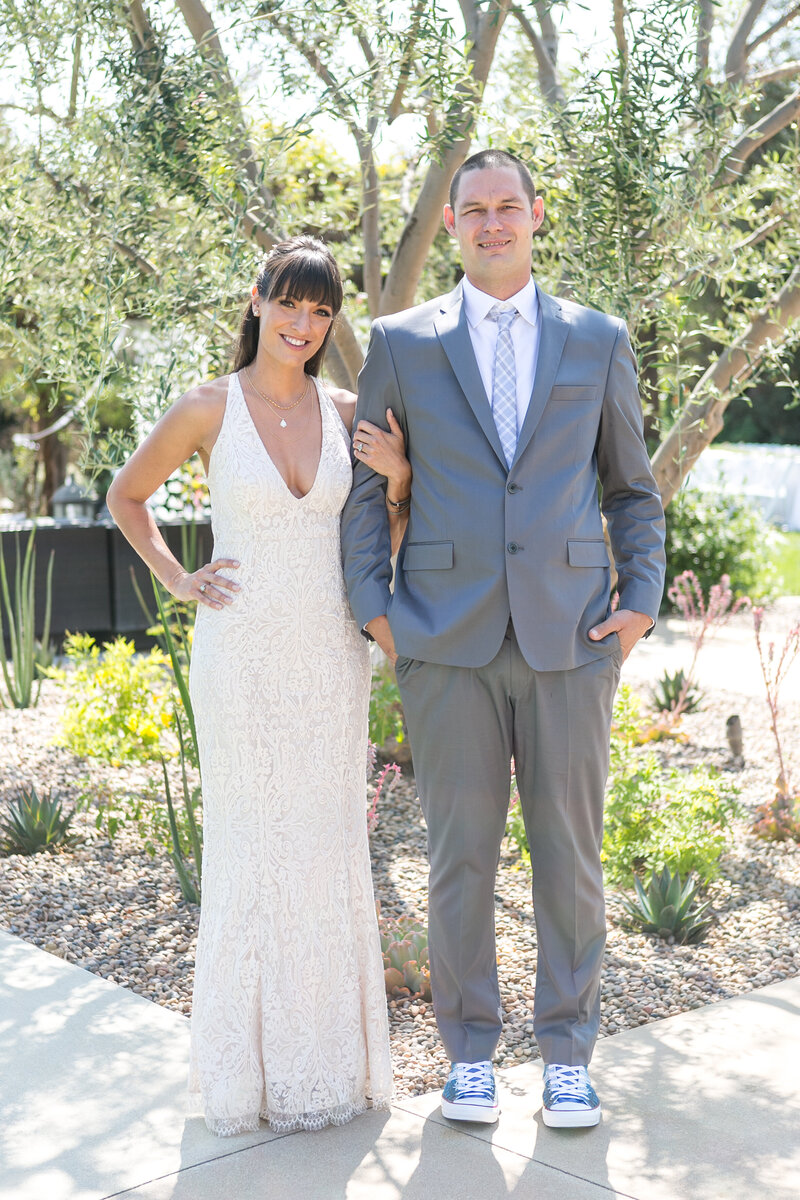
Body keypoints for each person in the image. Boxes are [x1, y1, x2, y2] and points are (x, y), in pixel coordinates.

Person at [341, 151, 666, 1129]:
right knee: (459, 857)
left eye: (507, 207)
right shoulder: (399, 341)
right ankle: (469, 1055)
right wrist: (378, 613)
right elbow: (366, 492)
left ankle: (568, 1054)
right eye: (473, 209)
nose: (491, 223)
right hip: (443, 641)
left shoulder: (597, 339)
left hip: (572, 636)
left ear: (534, 217)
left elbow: (629, 489)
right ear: (449, 223)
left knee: (570, 856)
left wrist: (639, 601)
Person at [107, 236, 411, 1136]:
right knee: (250, 845)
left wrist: (395, 484)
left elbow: (386, 540)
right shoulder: (205, 408)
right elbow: (129, 496)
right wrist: (176, 575)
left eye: (322, 312)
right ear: (257, 300)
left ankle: (330, 1063)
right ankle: (247, 1071)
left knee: (323, 844)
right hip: (238, 656)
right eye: (291, 304)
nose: (304, 325)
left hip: (327, 655)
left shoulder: (353, 410)